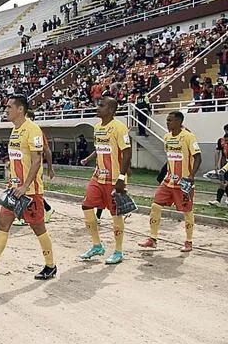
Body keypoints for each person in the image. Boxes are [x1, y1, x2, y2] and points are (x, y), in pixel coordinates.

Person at [0, 95, 56, 280]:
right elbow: (20, 156)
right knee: (2, 224)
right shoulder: (15, 130)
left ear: (20, 109)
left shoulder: (33, 129)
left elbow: (37, 160)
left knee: (38, 228)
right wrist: (11, 167)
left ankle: (51, 265)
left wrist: (25, 185)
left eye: (9, 107)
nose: (6, 110)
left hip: (30, 191)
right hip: (14, 189)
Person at [138, 112, 201, 252]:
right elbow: (170, 158)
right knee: (155, 206)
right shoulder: (166, 137)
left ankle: (188, 241)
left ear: (179, 121)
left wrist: (191, 175)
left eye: (170, 121)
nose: (167, 123)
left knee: (187, 211)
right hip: (168, 180)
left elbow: (198, 157)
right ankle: (152, 238)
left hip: (184, 182)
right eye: (167, 120)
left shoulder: (189, 137)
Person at [79, 97, 132, 264]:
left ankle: (118, 251)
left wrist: (122, 177)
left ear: (111, 110)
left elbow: (127, 153)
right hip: (97, 176)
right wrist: (88, 159)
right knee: (86, 206)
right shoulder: (96, 128)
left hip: (114, 179)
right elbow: (100, 148)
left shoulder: (119, 127)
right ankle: (97, 245)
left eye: (101, 106)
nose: (98, 108)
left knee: (116, 214)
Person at [209, 124, 228, 206]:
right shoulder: (222, 140)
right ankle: (218, 200)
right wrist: (217, 165)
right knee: (223, 181)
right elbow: (218, 152)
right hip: (225, 164)